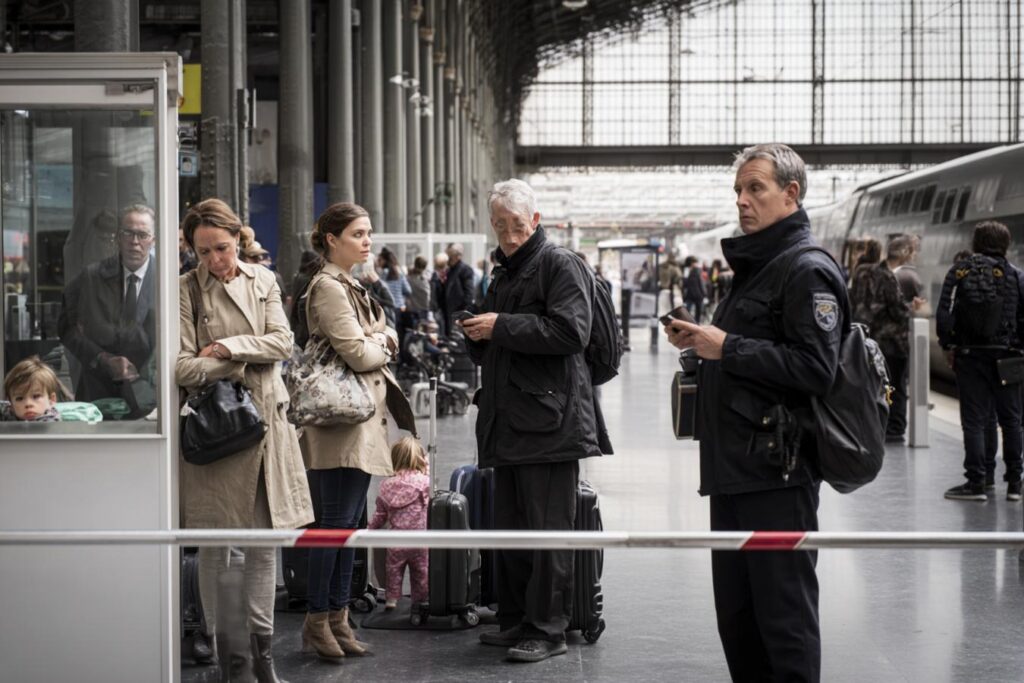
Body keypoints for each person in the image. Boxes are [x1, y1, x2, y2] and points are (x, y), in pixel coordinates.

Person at [665, 144, 847, 682]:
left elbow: (818, 368)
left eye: (755, 189)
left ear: (791, 194)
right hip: (735, 471)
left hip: (777, 473)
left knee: (783, 619)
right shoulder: (758, 268)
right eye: (738, 191)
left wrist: (729, 348)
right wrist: (705, 344)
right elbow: (747, 347)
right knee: (740, 620)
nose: (742, 201)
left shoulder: (806, 271)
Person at [462, 179, 610, 664]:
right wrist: (479, 334)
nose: (507, 235)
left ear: (536, 221)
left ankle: (550, 629)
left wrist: (499, 325)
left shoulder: (559, 263)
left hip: (552, 425)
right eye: (499, 225)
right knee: (514, 526)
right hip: (513, 421)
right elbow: (512, 343)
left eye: (516, 225)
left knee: (548, 531)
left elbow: (571, 332)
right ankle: (520, 619)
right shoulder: (505, 273)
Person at [177, 198, 314, 683]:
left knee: (263, 546)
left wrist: (227, 346)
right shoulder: (185, 290)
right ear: (191, 249)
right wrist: (238, 363)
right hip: (218, 433)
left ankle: (263, 660)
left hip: (267, 427)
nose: (216, 259)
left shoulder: (266, 280)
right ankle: (229, 659)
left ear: (239, 238)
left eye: (223, 246)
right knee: (219, 549)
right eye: (204, 250)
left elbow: (283, 343)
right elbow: (182, 366)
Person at [299, 202, 416, 663]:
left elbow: (385, 337)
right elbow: (361, 353)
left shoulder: (354, 285)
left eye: (368, 233)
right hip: (338, 423)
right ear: (332, 239)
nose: (367, 241)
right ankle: (316, 619)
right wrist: (383, 341)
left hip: (360, 419)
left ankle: (338, 617)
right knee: (333, 524)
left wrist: (381, 340)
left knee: (349, 524)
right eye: (357, 234)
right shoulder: (328, 287)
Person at [937, 221, 1024, 502]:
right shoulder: (1015, 276)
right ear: (1005, 244)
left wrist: (949, 343)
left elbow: (943, 313)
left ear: (975, 243)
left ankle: (977, 482)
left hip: (970, 355)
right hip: (1007, 356)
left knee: (974, 421)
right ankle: (1014, 484)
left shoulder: (960, 270)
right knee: (1011, 421)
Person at [58, 203, 157, 418]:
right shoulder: (91, 277)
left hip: (149, 397)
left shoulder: (166, 282)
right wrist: (101, 358)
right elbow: (66, 328)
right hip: (97, 394)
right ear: (117, 237)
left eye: (142, 235)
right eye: (128, 233)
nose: (134, 242)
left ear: (154, 240)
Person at [848, 238, 912, 443]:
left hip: (865, 339)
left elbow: (852, 301)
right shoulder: (886, 276)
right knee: (896, 386)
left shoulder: (860, 273)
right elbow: (898, 310)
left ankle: (873, 424)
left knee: (872, 384)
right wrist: (913, 309)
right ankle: (894, 428)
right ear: (903, 253)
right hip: (890, 341)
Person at [367, 436, 430, 612]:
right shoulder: (425, 483)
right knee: (421, 573)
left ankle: (391, 600)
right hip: (420, 540)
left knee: (393, 572)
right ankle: (420, 601)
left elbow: (380, 515)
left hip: (396, 541)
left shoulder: (386, 485)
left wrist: (369, 529)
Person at [1, 356, 62, 422]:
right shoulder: (8, 414)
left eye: (36, 396)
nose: (28, 404)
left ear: (51, 399)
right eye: (19, 398)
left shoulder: (51, 422)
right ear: (11, 405)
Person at [443, 242, 475, 334]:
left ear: (458, 256)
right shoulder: (449, 270)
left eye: (450, 256)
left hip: (459, 313)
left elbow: (469, 294)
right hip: (449, 312)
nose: (447, 259)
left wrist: (464, 313)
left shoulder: (465, 270)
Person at [406, 256, 431, 329]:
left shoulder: (408, 278)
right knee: (424, 332)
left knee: (413, 332)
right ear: (425, 266)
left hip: (412, 308)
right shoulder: (426, 279)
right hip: (424, 308)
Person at [682, 256, 707, 322]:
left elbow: (701, 283)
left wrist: (704, 294)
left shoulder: (698, 270)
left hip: (698, 295)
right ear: (691, 263)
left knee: (698, 312)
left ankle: (696, 325)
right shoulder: (687, 271)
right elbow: (685, 283)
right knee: (687, 311)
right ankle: (689, 324)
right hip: (690, 295)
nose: (696, 264)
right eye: (695, 262)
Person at [430, 252, 449, 337]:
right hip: (439, 307)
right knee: (441, 327)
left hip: (441, 306)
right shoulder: (436, 276)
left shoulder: (447, 274)